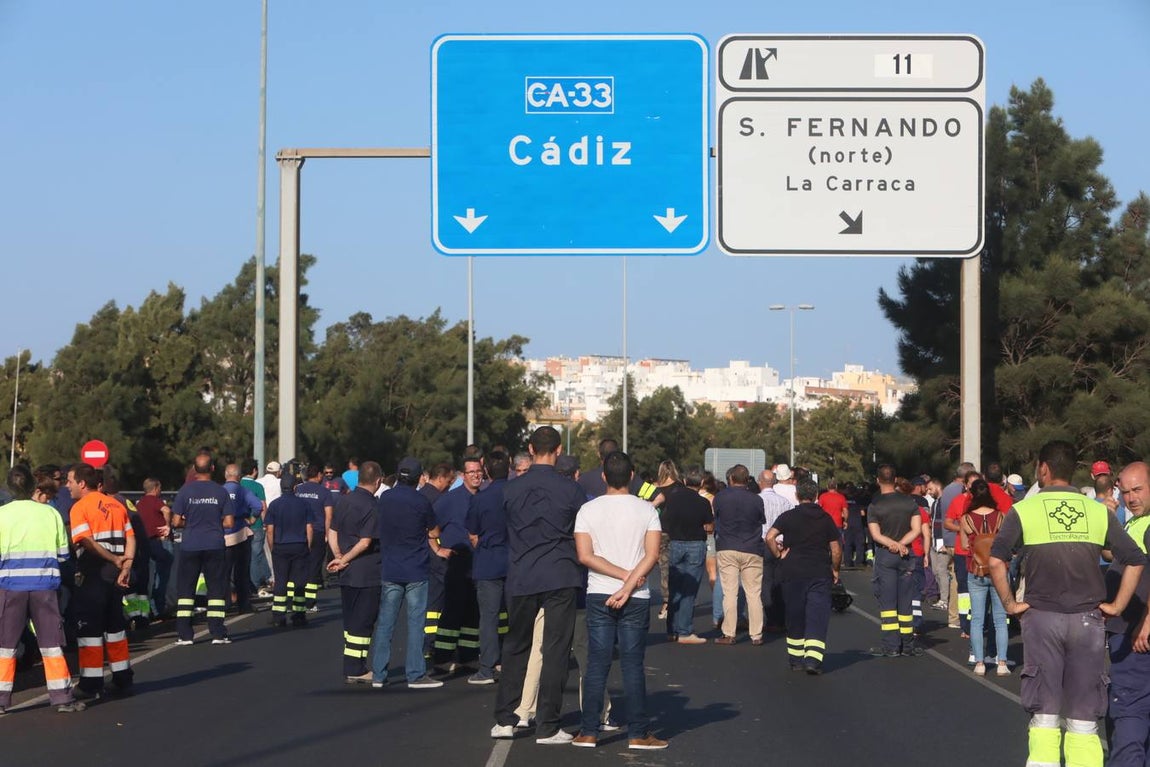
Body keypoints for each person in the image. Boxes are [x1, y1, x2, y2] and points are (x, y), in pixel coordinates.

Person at [990, 441, 1146, 767]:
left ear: (1043, 469)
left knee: (1045, 714)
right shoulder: (1097, 512)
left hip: (1042, 619)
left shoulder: (1025, 509)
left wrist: (1009, 603)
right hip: (1088, 621)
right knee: (1084, 719)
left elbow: (996, 561)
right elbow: (1134, 559)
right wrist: (1116, 606)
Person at [491, 426, 586, 744]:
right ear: (558, 450)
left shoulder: (510, 489)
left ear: (530, 449)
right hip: (560, 573)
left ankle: (506, 719)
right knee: (556, 650)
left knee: (515, 646)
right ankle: (548, 725)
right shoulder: (571, 490)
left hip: (522, 574)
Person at [572, 450, 666, 750]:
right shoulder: (647, 511)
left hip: (599, 593)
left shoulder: (588, 510)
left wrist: (619, 578)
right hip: (636, 596)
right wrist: (629, 581)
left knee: (597, 664)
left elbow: (585, 556)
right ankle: (638, 733)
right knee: (632, 665)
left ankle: (588, 731)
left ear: (603, 476)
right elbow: (652, 555)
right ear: (632, 475)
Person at [0, 467, 85, 714]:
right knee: (51, 644)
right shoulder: (51, 514)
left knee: (5, 646)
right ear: (31, 487)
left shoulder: (2, 515)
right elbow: (62, 554)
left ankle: (2, 700)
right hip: (44, 588)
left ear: (9, 488)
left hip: (10, 588)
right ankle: (62, 698)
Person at [371, 457, 448, 690]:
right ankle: (415, 674)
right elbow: (434, 531)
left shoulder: (385, 498)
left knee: (386, 622)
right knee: (416, 623)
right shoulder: (421, 500)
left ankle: (378, 674)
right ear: (418, 478)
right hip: (415, 568)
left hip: (391, 567)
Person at [66, 463, 135, 698]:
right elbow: (131, 537)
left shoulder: (79, 507)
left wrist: (115, 560)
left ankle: (90, 683)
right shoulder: (117, 504)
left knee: (90, 631)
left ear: (82, 483)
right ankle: (123, 678)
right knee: (115, 627)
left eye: (70, 481)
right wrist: (126, 565)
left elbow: (85, 541)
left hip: (94, 573)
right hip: (115, 575)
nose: (67, 486)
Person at [766, 478, 842, 674]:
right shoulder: (825, 518)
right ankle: (813, 660)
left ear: (797, 495)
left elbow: (770, 537)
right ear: (816, 496)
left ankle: (796, 659)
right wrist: (835, 569)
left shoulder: (788, 516)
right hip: (819, 571)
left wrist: (778, 555)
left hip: (793, 572)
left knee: (795, 613)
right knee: (817, 615)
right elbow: (835, 549)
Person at [1105, 461, 1150, 766]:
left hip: (1135, 637)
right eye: (1126, 491)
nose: (1132, 497)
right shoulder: (1136, 522)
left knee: (1128, 720)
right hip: (1127, 633)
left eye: (1138, 490)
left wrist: (1147, 621)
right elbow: (1118, 554)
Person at [327, 461, 383, 683]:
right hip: (366, 572)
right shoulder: (372, 506)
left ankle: (355, 664)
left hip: (347, 573)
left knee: (350, 622)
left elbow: (332, 531)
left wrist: (339, 556)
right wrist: (345, 559)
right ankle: (356, 668)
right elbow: (366, 542)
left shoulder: (344, 500)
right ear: (378, 481)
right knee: (364, 620)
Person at [171, 453, 235, 645]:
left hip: (190, 544)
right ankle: (217, 632)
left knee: (186, 589)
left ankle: (184, 634)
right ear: (213, 468)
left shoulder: (185, 492)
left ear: (194, 469)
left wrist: (189, 522)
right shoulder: (220, 492)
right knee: (215, 589)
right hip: (214, 544)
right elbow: (229, 522)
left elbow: (175, 521)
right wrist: (213, 522)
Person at [430, 457, 483, 672]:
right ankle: (442, 658)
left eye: (479, 471)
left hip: (478, 565)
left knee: (473, 613)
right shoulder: (449, 500)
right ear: (463, 475)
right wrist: (437, 548)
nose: (476, 475)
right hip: (457, 564)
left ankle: (469, 657)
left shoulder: (484, 498)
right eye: (471, 472)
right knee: (452, 612)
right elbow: (430, 528)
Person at [866, 464, 923, 657]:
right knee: (906, 601)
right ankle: (908, 645)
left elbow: (875, 535)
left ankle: (891, 646)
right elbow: (916, 529)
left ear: (878, 480)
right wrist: (901, 544)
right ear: (895, 479)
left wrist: (892, 544)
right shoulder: (909, 502)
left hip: (886, 555)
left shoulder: (875, 505)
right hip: (906, 555)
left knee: (888, 602)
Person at [466, 450, 510, 684]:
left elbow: (472, 531)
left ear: (486, 472)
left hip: (488, 561)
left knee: (489, 618)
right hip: (516, 562)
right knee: (518, 618)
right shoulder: (518, 494)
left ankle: (487, 667)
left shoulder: (480, 498)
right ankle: (517, 664)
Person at [712, 464, 766, 646]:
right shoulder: (757, 500)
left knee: (730, 593)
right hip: (752, 548)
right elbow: (761, 520)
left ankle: (729, 633)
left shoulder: (720, 497)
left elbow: (717, 518)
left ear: (731, 479)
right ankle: (756, 634)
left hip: (727, 546)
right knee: (754, 593)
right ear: (747, 479)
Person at [960, 479, 1009, 676]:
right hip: (998, 570)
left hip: (977, 570)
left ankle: (980, 663)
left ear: (972, 494)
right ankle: (1002, 663)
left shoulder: (966, 518)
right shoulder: (1001, 517)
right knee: (1000, 618)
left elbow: (965, 545)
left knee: (977, 619)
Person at [662, 465, 714, 643]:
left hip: (675, 543)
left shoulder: (673, 499)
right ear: (701, 483)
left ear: (684, 481)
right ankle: (685, 631)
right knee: (689, 590)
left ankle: (672, 630)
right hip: (695, 545)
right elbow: (709, 527)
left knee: (674, 587)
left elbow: (666, 521)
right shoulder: (703, 503)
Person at [266, 473, 313, 627]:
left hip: (280, 546)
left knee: (281, 581)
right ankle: (299, 615)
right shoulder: (304, 504)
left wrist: (273, 547)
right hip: (299, 545)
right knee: (299, 582)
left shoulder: (274, 505)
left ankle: (279, 616)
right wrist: (308, 545)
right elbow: (309, 528)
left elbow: (270, 530)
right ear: (295, 487)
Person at [222, 464, 262, 614]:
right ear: (238, 477)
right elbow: (258, 506)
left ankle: (224, 605)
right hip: (240, 533)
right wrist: (251, 520)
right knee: (241, 572)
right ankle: (243, 604)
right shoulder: (243, 491)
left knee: (223, 572)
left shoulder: (220, 491)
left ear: (226, 475)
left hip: (223, 534)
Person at [295, 464, 335, 612]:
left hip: (299, 532)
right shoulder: (324, 492)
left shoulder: (298, 489)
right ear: (318, 475)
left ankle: (295, 600)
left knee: (298, 566)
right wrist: (327, 534)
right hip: (317, 532)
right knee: (314, 567)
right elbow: (329, 515)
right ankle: (310, 602)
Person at [759, 468, 794, 633]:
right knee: (780, 581)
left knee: (766, 582)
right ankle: (781, 618)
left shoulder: (757, 500)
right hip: (781, 544)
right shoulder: (784, 502)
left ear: (760, 482)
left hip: (763, 544)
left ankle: (771, 618)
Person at [136, 477, 173, 617]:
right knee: (162, 576)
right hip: (160, 541)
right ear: (156, 488)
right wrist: (167, 526)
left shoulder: (139, 504)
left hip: (145, 543)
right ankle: (159, 607)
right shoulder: (155, 501)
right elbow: (166, 510)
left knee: (148, 577)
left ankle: (148, 610)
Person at [241, 459, 271, 594]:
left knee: (245, 555)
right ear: (254, 471)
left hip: (240, 525)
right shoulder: (257, 487)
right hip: (256, 524)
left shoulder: (239, 484)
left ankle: (263, 577)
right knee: (256, 554)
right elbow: (262, 506)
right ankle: (255, 584)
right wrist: (265, 523)